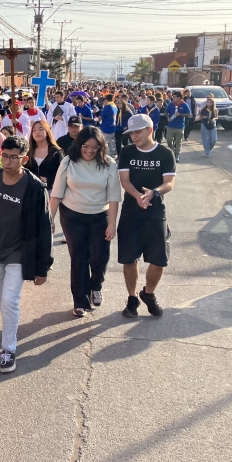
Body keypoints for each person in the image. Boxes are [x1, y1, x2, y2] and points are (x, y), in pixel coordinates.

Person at [0, 136, 52, 373]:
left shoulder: (35, 188)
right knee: (0, 297)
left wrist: (43, 267)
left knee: (10, 300)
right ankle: (10, 329)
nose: (7, 161)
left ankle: (8, 349)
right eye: (4, 156)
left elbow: (43, 229)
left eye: (13, 157)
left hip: (19, 253)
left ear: (24, 159)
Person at [49, 126, 121, 316]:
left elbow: (114, 197)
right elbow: (56, 193)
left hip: (100, 214)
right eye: (86, 146)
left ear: (101, 147)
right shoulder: (68, 161)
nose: (89, 151)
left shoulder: (109, 164)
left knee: (100, 256)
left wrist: (112, 224)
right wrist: (50, 218)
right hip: (72, 215)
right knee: (79, 257)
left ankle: (96, 285)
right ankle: (80, 301)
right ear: (79, 145)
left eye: (95, 147)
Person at [117, 114, 176, 319]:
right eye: (131, 132)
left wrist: (154, 192)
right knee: (129, 257)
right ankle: (132, 298)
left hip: (156, 212)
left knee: (160, 259)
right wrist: (138, 196)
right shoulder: (126, 152)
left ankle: (148, 294)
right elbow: (124, 180)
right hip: (131, 211)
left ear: (150, 130)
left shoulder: (165, 153)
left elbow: (169, 182)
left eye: (137, 132)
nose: (134, 136)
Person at [25, 121, 63, 193]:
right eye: (34, 130)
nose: (37, 132)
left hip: (50, 191)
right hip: (31, 190)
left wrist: (49, 180)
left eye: (41, 129)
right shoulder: (28, 151)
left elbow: (62, 173)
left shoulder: (56, 152)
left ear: (47, 131)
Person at [165, 92, 190, 162]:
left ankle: (177, 155)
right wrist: (167, 117)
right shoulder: (171, 104)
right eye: (173, 96)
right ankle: (172, 151)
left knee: (178, 142)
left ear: (179, 97)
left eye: (175, 97)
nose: (173, 98)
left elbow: (188, 114)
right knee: (169, 140)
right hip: (170, 126)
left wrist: (180, 114)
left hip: (180, 126)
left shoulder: (184, 105)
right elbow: (166, 112)